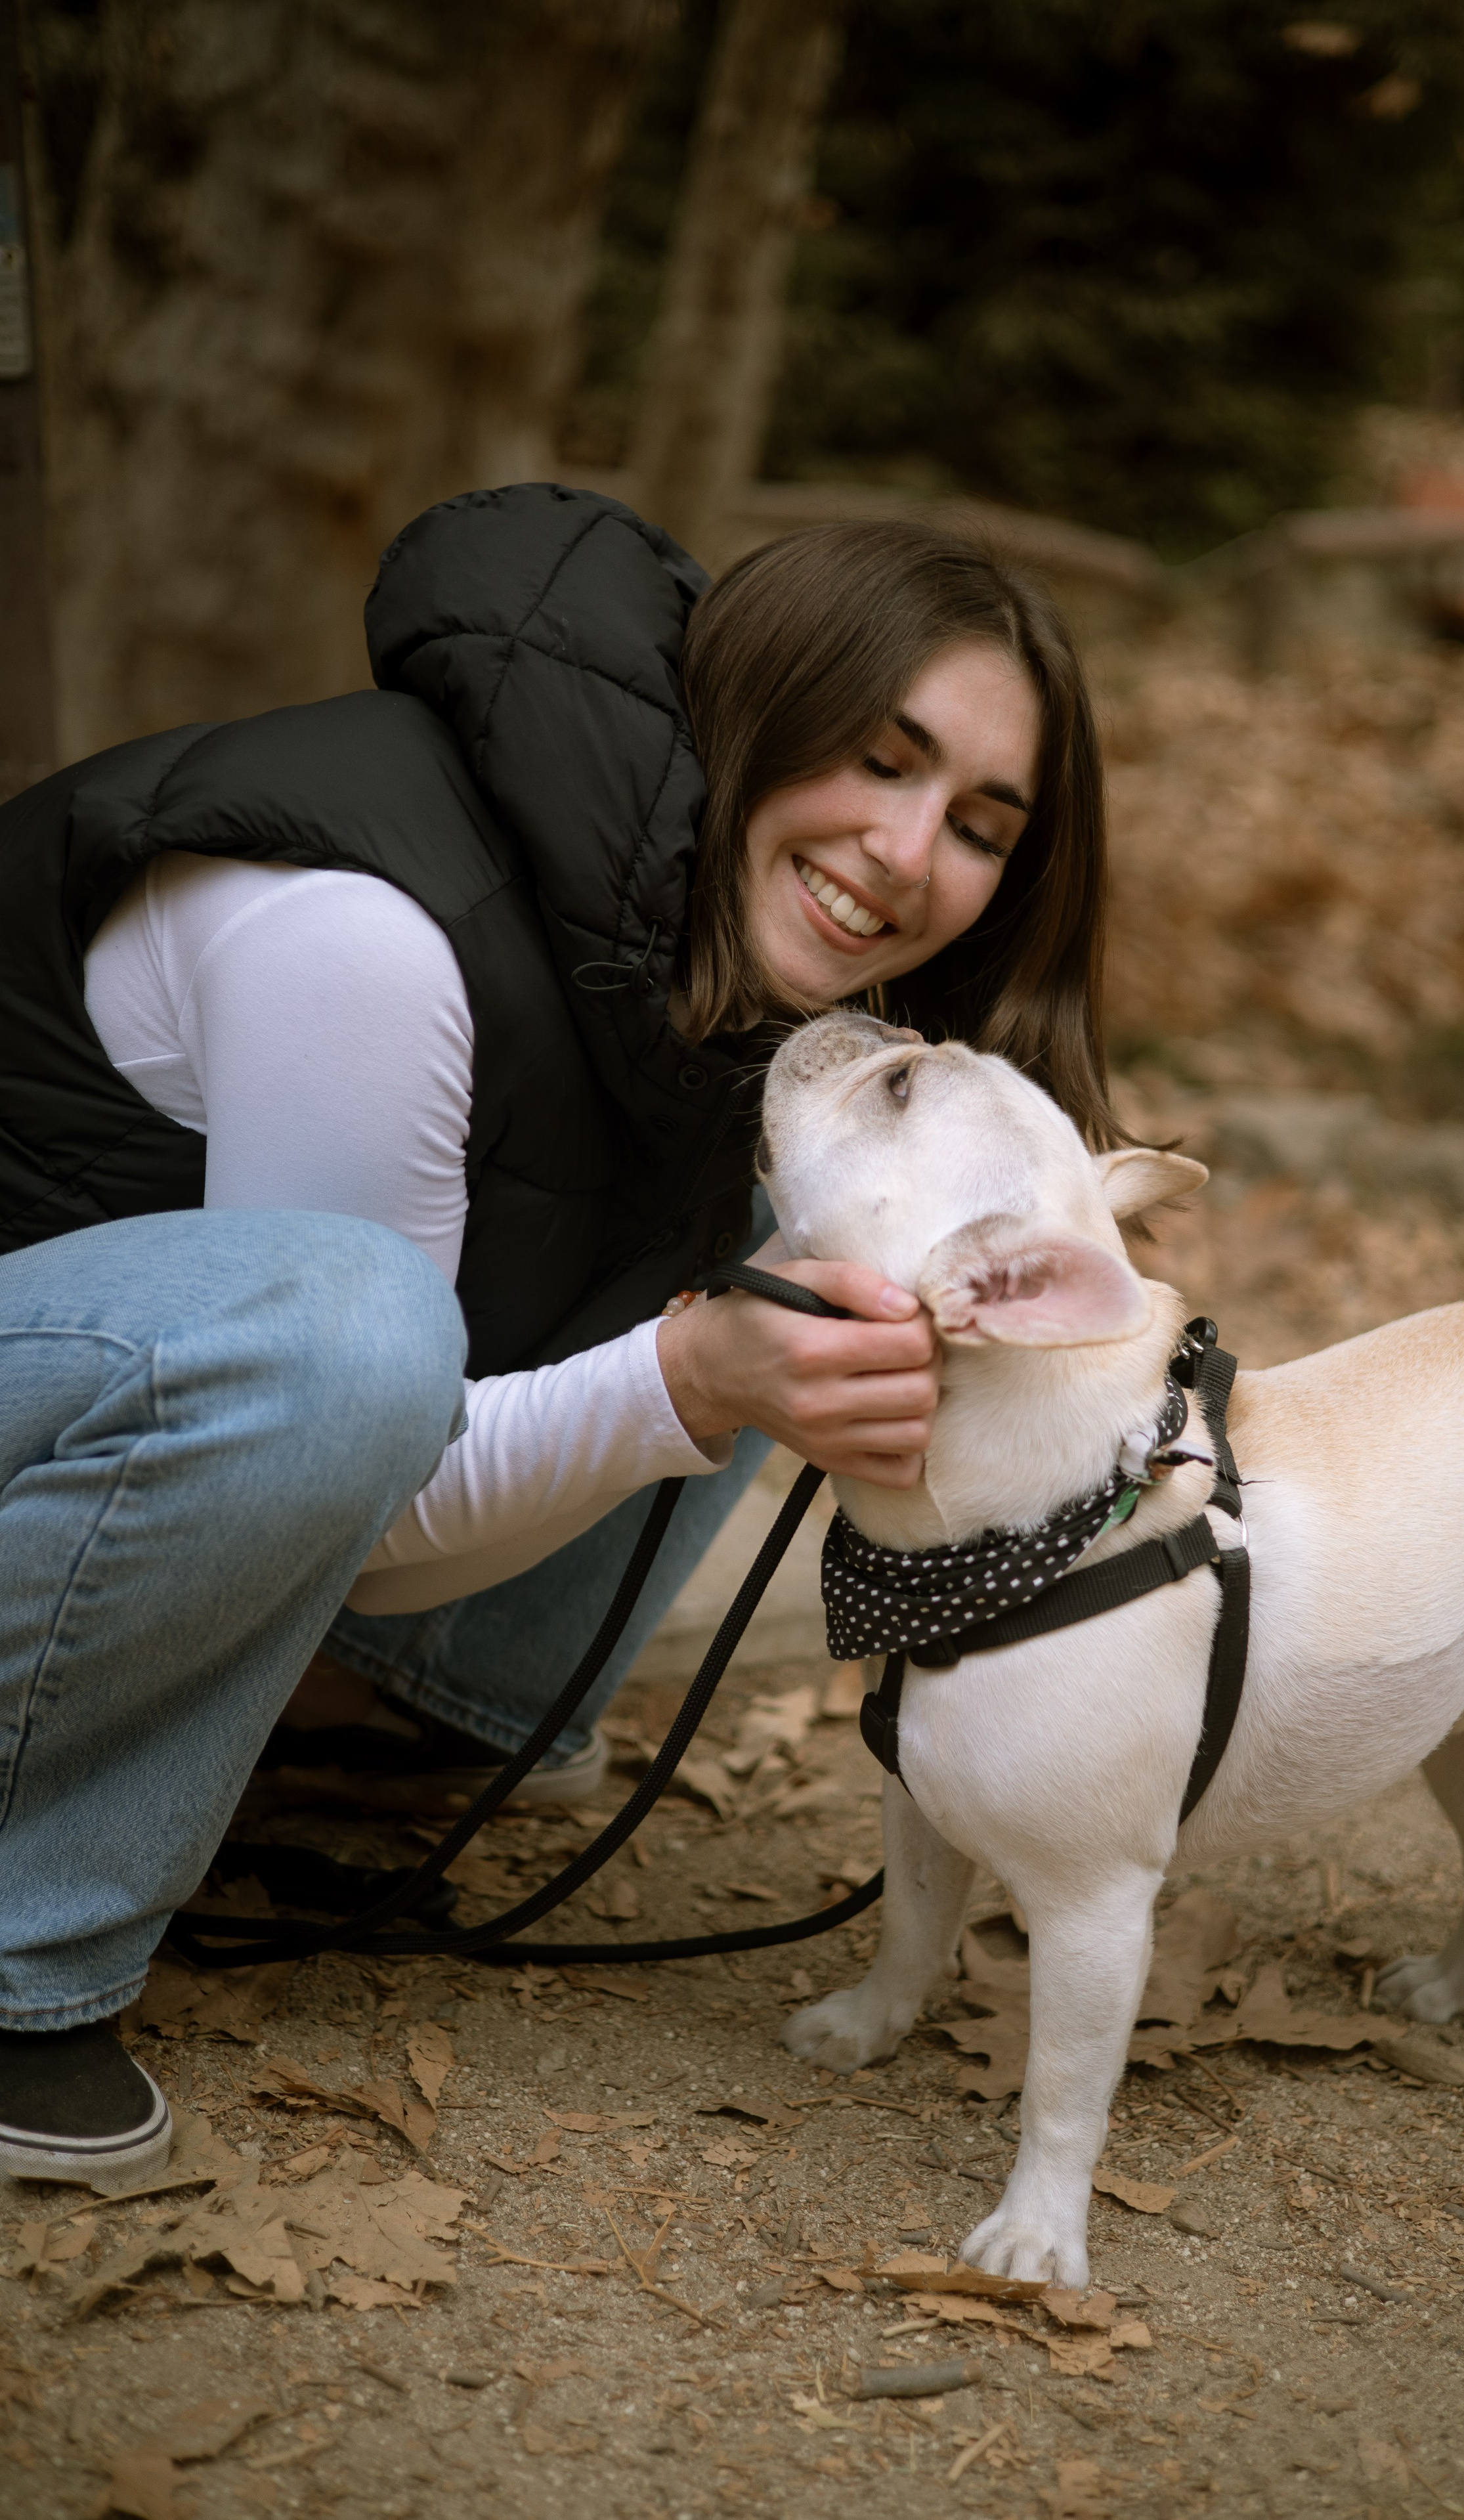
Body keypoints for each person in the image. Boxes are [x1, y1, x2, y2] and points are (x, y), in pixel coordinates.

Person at [0, 484, 1117, 2188]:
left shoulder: (674, 954)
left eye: (979, 820)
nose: (909, 854)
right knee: (360, 1323)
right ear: (754, 697)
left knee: (829, 1183)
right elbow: (352, 1449)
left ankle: (412, 1723)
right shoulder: (374, 941)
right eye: (879, 760)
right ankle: (24, 1952)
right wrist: (693, 1381)